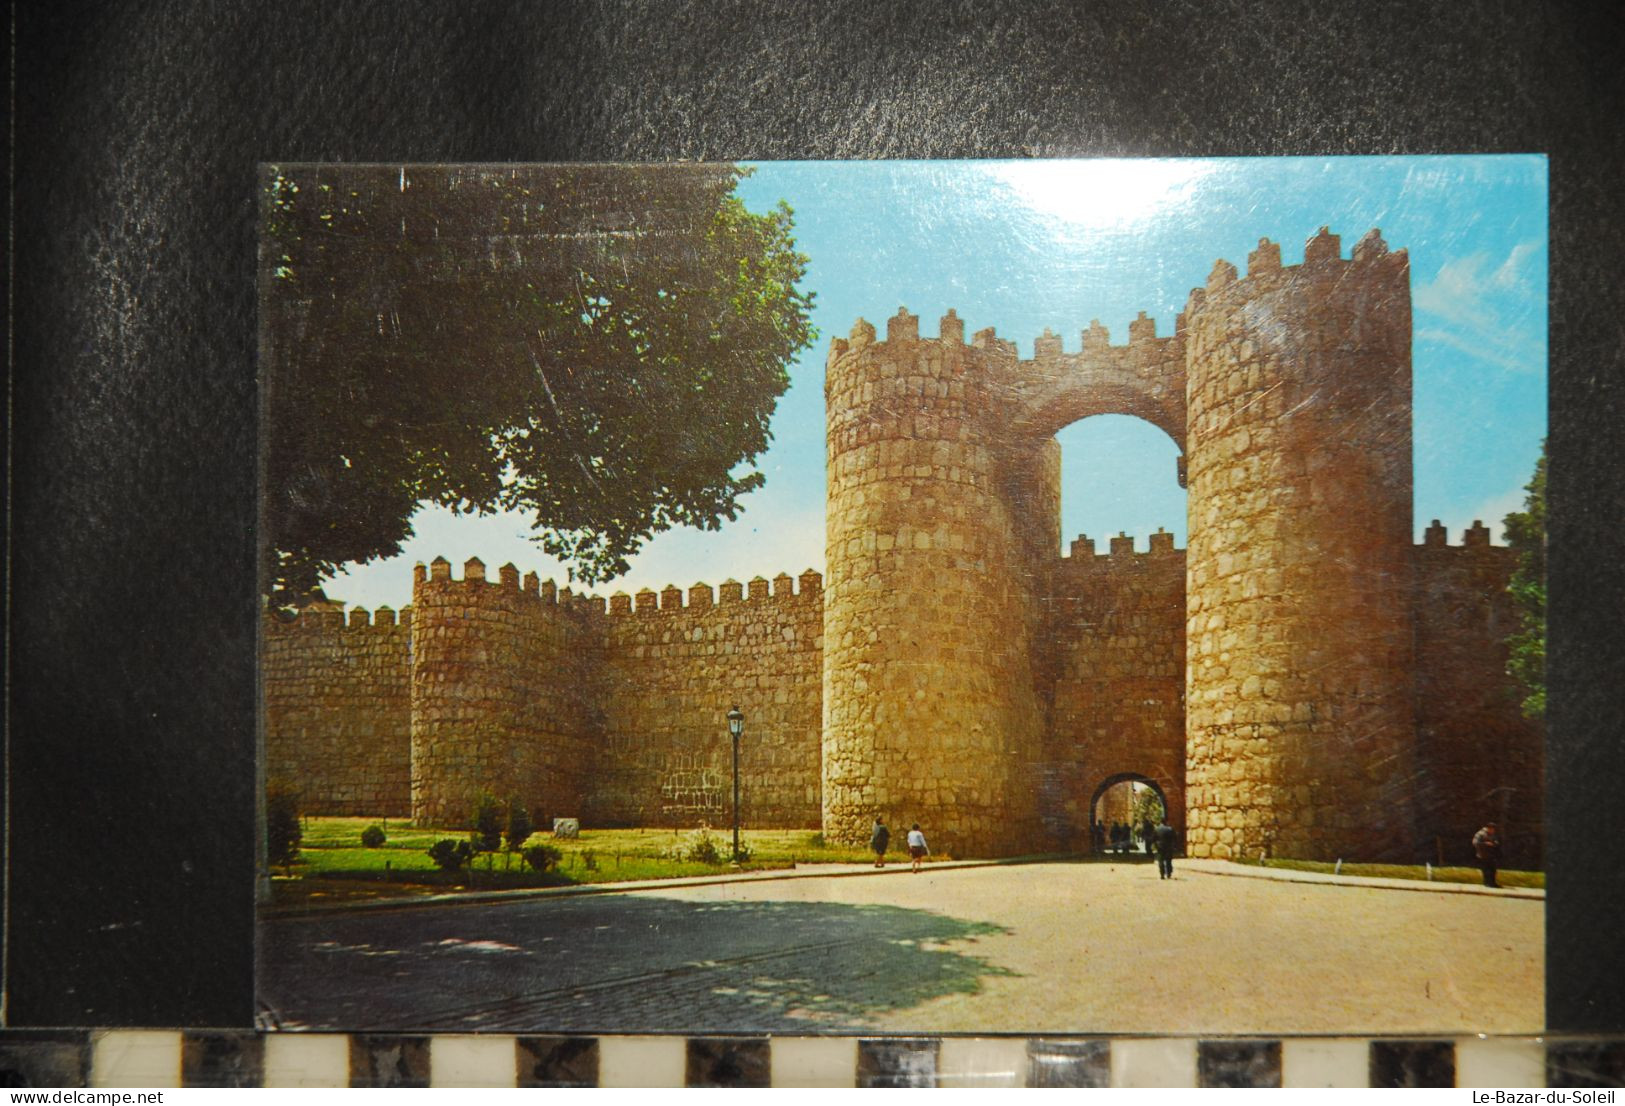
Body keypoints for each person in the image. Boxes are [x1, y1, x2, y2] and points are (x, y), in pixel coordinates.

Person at [1472, 822, 1503, 888]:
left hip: (1491, 854)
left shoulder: (1492, 834)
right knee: (1486, 870)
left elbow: (1496, 841)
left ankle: (1493, 883)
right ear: (1488, 828)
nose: (1493, 831)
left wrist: (1495, 843)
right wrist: (1485, 843)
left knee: (1493, 869)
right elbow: (1475, 842)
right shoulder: (1480, 834)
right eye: (1492, 829)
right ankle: (1487, 883)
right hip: (1483, 854)